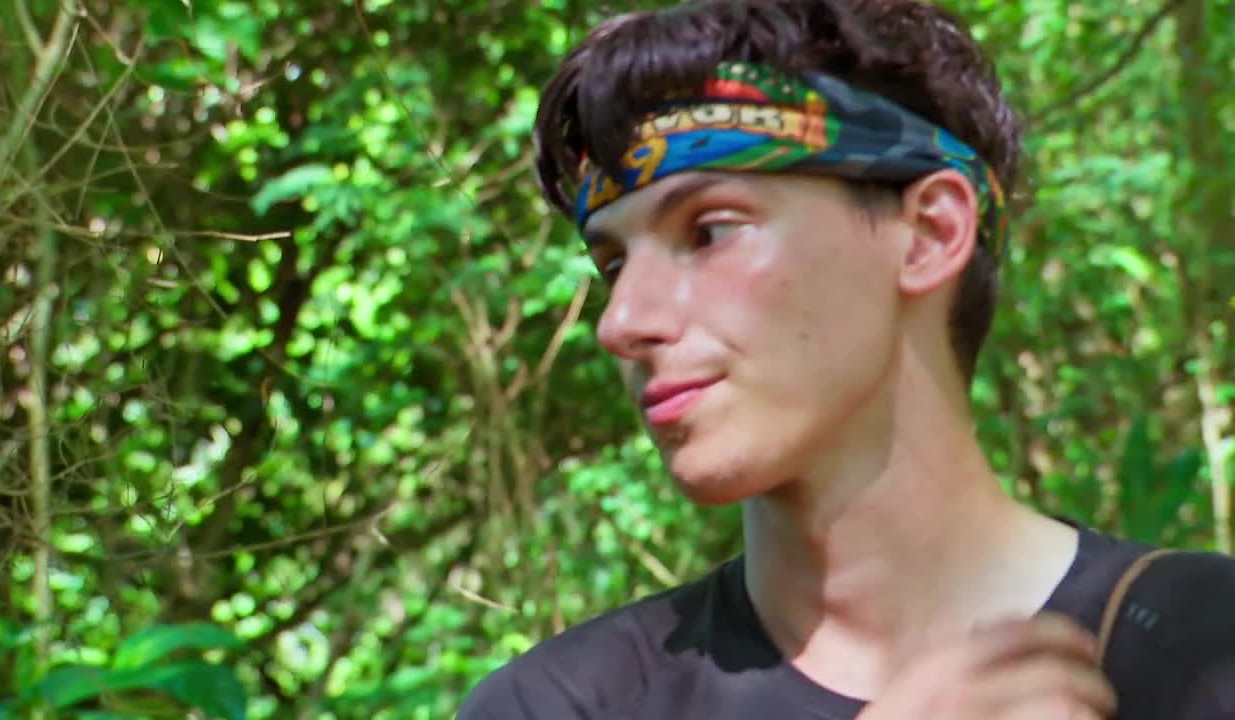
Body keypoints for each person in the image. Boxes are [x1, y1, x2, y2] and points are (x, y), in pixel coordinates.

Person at [457, 0, 1235, 717]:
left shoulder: (1204, 649)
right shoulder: (557, 705)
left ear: (929, 234)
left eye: (709, 231)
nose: (621, 322)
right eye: (615, 266)